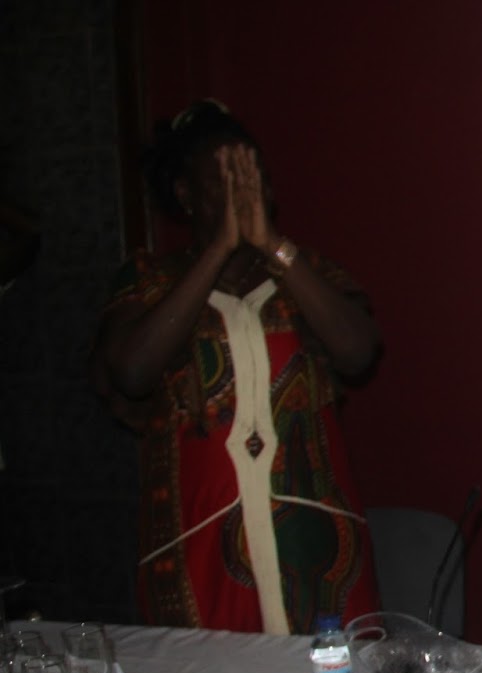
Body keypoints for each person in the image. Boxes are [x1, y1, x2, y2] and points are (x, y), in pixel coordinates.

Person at [92, 100, 381, 634]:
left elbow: (358, 351)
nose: (247, 195)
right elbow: (131, 372)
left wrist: (273, 246)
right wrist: (218, 251)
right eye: (226, 183)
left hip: (316, 556)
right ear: (186, 195)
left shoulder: (307, 272)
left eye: (256, 179)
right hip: (200, 560)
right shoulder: (150, 280)